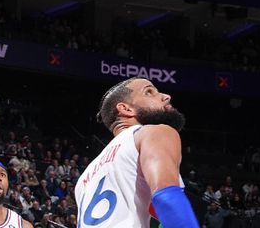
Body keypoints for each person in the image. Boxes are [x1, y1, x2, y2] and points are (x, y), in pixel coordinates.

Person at [75, 78, 198, 227]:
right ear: (126, 109)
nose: (166, 96)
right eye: (149, 92)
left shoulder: (84, 179)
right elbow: (167, 196)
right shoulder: (153, 132)